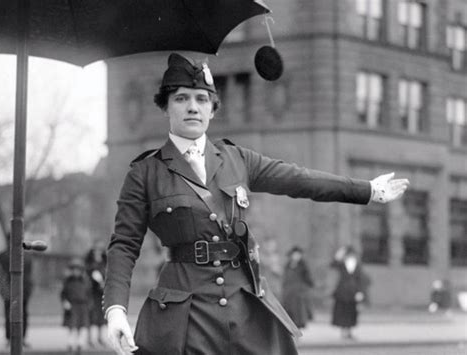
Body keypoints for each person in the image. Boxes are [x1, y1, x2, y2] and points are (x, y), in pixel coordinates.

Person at [103, 52, 410, 355]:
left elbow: (299, 179)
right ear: (166, 107)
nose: (192, 107)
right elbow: (124, 245)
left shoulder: (237, 159)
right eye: (181, 98)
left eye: (201, 99)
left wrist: (367, 190)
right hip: (185, 315)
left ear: (212, 109)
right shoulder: (145, 173)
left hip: (245, 309)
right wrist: (116, 310)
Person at [0, 239, 33, 348]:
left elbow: (28, 275)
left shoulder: (25, 256)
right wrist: (5, 289)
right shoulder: (6, 256)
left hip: (20, 290)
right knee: (15, 314)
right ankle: (15, 338)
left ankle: (17, 338)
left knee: (17, 314)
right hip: (14, 290)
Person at [330, 245, 366, 340]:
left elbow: (360, 280)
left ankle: (349, 332)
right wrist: (339, 253)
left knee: (351, 313)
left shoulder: (358, 266)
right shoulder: (341, 265)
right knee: (342, 312)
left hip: (353, 293)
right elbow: (333, 264)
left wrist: (360, 292)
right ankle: (343, 331)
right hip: (342, 293)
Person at [61, 258, 92, 355]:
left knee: (81, 326)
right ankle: (70, 343)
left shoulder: (85, 281)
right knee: (72, 325)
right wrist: (65, 302)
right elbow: (63, 294)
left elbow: (89, 294)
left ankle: (80, 344)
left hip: (83, 306)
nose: (76, 272)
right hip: (72, 306)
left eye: (78, 269)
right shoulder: (67, 281)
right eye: (74, 269)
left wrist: (89, 305)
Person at [281, 246, 314, 329]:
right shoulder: (288, 265)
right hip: (288, 293)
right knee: (288, 312)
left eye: (298, 254)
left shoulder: (303, 266)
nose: (296, 256)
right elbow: (285, 278)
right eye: (294, 254)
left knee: (298, 314)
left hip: (299, 294)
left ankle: (297, 330)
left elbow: (309, 280)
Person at [84, 241, 107, 347]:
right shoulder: (89, 262)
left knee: (101, 315)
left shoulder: (105, 262)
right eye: (96, 250)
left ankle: (100, 337)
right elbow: (88, 274)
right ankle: (89, 338)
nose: (98, 252)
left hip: (101, 293)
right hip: (91, 292)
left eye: (100, 250)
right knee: (91, 314)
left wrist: (104, 283)